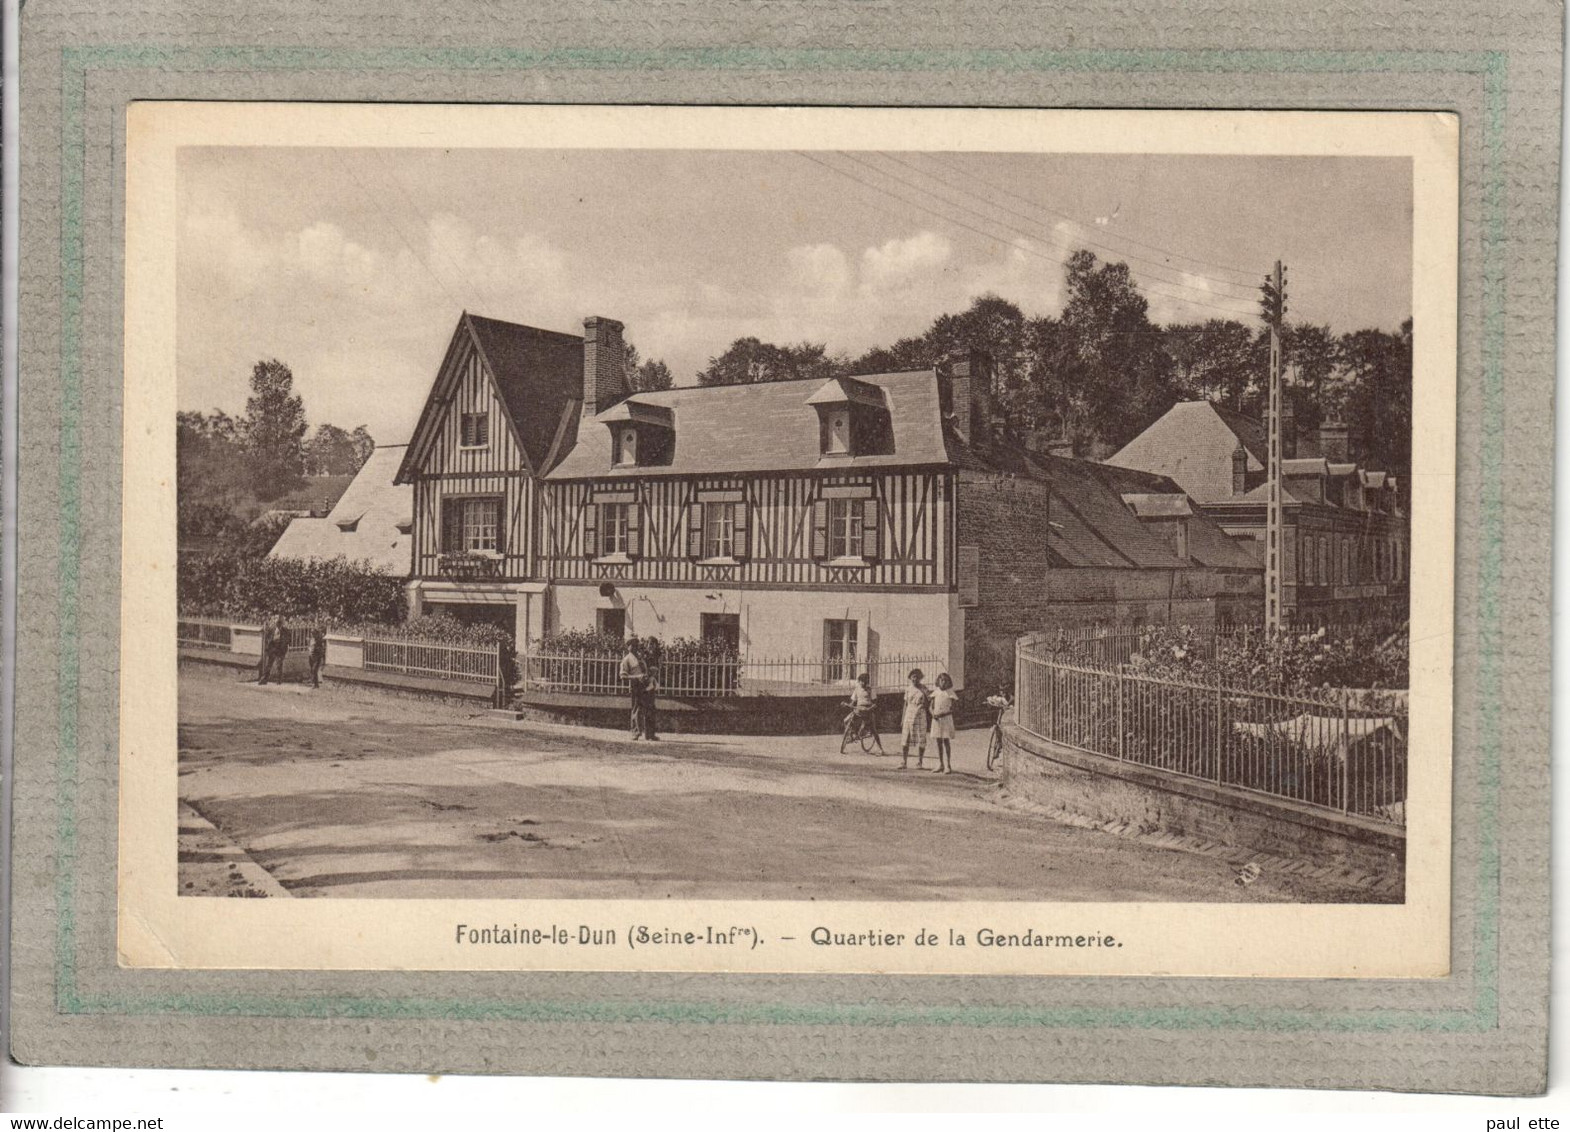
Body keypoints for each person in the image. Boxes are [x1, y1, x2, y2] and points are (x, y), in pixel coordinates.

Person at [840, 672, 884, 754]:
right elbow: (853, 702)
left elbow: (875, 703)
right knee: (846, 720)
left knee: (874, 730)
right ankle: (850, 735)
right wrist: (847, 705)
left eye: (865, 681)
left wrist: (870, 708)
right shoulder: (857, 689)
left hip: (868, 711)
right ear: (859, 681)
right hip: (858, 710)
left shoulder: (870, 690)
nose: (863, 683)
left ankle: (880, 749)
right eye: (861, 681)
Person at [898, 667, 931, 770]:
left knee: (921, 738)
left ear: (920, 678)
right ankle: (904, 761)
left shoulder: (924, 689)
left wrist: (923, 706)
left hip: (920, 714)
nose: (914, 679)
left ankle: (919, 762)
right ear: (910, 678)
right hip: (909, 713)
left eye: (916, 677)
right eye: (913, 677)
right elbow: (905, 704)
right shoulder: (908, 689)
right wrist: (903, 719)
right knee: (905, 738)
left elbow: (929, 701)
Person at [619, 637, 649, 741]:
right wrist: (637, 677)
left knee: (645, 708)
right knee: (636, 708)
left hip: (645, 685)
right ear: (628, 647)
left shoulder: (640, 658)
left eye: (636, 645)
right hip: (635, 686)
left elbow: (644, 670)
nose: (635, 647)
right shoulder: (627, 659)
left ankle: (647, 733)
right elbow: (623, 676)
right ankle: (635, 732)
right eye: (632, 645)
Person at [929, 672, 958, 774]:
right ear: (938, 681)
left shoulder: (950, 693)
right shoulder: (935, 692)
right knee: (938, 742)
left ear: (948, 682)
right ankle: (940, 764)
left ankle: (948, 765)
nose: (943, 682)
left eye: (945, 681)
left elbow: (953, 709)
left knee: (946, 741)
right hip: (937, 720)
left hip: (946, 719)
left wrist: (943, 713)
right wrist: (933, 714)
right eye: (942, 680)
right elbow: (930, 707)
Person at [258, 613, 288, 685]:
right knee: (268, 665)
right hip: (272, 649)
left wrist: (284, 652)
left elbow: (287, 642)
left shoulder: (285, 631)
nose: (278, 624)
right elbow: (267, 636)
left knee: (279, 666)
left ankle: (279, 681)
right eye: (277, 623)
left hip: (280, 650)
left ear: (282, 623)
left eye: (279, 623)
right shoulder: (272, 629)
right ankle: (264, 679)